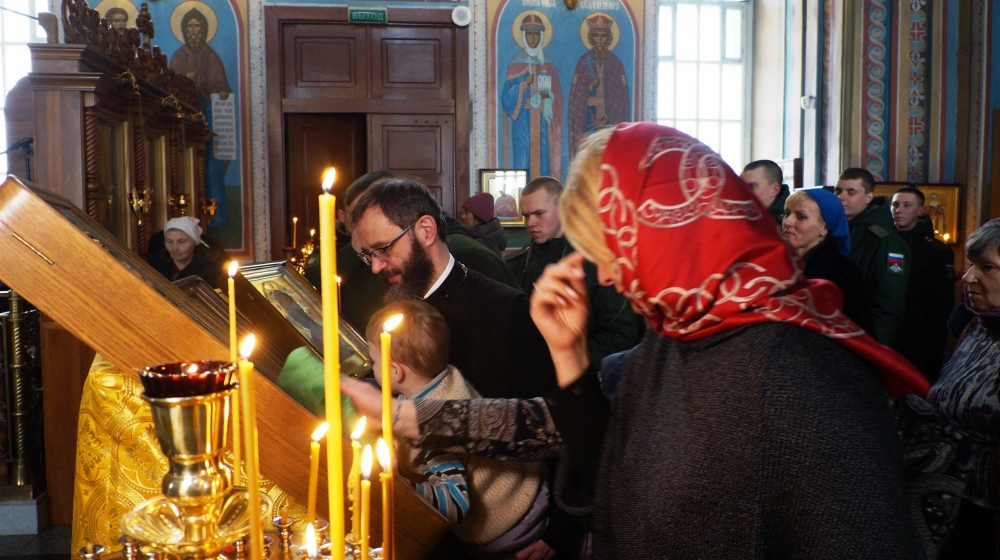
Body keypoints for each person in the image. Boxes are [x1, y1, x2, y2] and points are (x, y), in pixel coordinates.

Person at [530, 123, 927, 557]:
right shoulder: (674, 334)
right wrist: (568, 355)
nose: (606, 275)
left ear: (668, 230)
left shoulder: (798, 378)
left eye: (611, 251)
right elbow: (616, 498)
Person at [365, 299, 549, 557]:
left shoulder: (432, 438)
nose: (371, 366)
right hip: (533, 487)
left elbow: (455, 505)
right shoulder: (449, 379)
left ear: (395, 372)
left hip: (512, 526)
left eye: (373, 361)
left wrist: (401, 480)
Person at [350, 178, 553, 400]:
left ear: (426, 231)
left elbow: (540, 413)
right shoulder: (391, 303)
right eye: (369, 255)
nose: (376, 267)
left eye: (383, 249)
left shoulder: (508, 312)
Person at [505, 176, 639, 367]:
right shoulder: (515, 264)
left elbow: (620, 334)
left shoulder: (597, 263)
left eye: (539, 213)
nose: (530, 223)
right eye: (526, 216)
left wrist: (566, 362)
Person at [926, 218, 1000, 558]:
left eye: (987, 267)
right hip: (951, 513)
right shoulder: (977, 328)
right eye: (971, 265)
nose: (968, 277)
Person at [169, 7, 232, 230]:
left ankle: (214, 216)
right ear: (184, 30)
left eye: (197, 26)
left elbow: (220, 85)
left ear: (203, 30)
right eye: (189, 26)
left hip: (206, 115)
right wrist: (185, 79)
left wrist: (221, 91)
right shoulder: (179, 56)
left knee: (211, 161)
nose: (193, 30)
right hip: (184, 119)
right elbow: (170, 87)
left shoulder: (210, 56)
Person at [782, 188, 874, 334]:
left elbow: (857, 331)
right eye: (787, 214)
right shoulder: (778, 264)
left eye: (801, 216)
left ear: (824, 227)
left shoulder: (842, 273)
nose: (787, 222)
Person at [836, 167, 910, 347]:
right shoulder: (837, 229)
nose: (841, 197)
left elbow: (889, 303)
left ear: (868, 198)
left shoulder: (885, 241)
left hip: (864, 336)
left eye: (851, 192)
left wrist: (875, 347)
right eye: (838, 191)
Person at [892, 186, 955, 382]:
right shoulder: (882, 242)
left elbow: (941, 303)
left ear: (920, 211)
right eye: (895, 205)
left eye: (906, 205)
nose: (898, 210)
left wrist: (933, 344)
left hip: (920, 332)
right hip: (889, 327)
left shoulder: (936, 251)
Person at [501, 14, 563, 180]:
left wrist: (548, 98)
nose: (533, 38)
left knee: (544, 160)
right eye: (529, 34)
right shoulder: (515, 63)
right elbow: (506, 97)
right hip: (522, 121)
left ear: (541, 36)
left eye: (536, 34)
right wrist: (524, 85)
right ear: (524, 36)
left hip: (543, 121)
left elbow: (558, 96)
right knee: (523, 157)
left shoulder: (548, 63)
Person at [567, 13, 630, 155]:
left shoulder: (615, 64)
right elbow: (576, 99)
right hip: (589, 120)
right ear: (591, 38)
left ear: (608, 39)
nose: (600, 40)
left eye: (603, 36)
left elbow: (621, 101)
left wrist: (607, 118)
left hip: (609, 122)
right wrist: (590, 87)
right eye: (596, 36)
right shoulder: (583, 62)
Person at [147, 216, 224, 286]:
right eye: (169, 242)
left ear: (194, 242)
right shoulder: (155, 264)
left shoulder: (210, 269)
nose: (174, 248)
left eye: (181, 241)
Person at [740, 159, 789, 224]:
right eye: (741, 186)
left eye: (752, 186)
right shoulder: (739, 214)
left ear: (774, 190)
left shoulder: (789, 222)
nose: (743, 191)